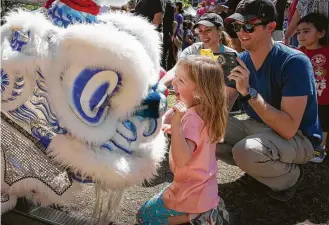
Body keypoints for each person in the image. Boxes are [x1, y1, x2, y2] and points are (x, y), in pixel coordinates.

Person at [219, 0, 322, 202]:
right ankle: (261, 170)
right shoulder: (240, 59)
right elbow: (222, 108)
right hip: (259, 128)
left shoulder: (295, 62)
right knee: (205, 128)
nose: (242, 32)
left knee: (245, 151)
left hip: (299, 138)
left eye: (249, 25)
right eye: (237, 26)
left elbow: (288, 129)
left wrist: (248, 92)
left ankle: (292, 178)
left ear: (271, 27)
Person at [136, 55, 230, 225]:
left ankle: (198, 217)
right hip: (204, 186)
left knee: (144, 216)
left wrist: (177, 124)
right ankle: (206, 209)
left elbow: (182, 159)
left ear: (199, 91)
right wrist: (175, 130)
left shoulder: (191, 118)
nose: (174, 84)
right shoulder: (209, 111)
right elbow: (198, 143)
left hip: (190, 190)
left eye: (181, 80)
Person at [160, 13, 236, 87]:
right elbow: (176, 69)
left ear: (219, 30)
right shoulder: (192, 50)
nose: (203, 34)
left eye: (208, 30)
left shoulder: (230, 55)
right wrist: (159, 86)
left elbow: (229, 93)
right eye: (200, 31)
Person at [297, 13, 329, 163]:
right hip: (303, 96)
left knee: (323, 123)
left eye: (306, 31)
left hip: (324, 97)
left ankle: (319, 149)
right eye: (299, 32)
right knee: (304, 122)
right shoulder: (296, 52)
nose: (301, 35)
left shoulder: (327, 52)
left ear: (321, 33)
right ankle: (304, 146)